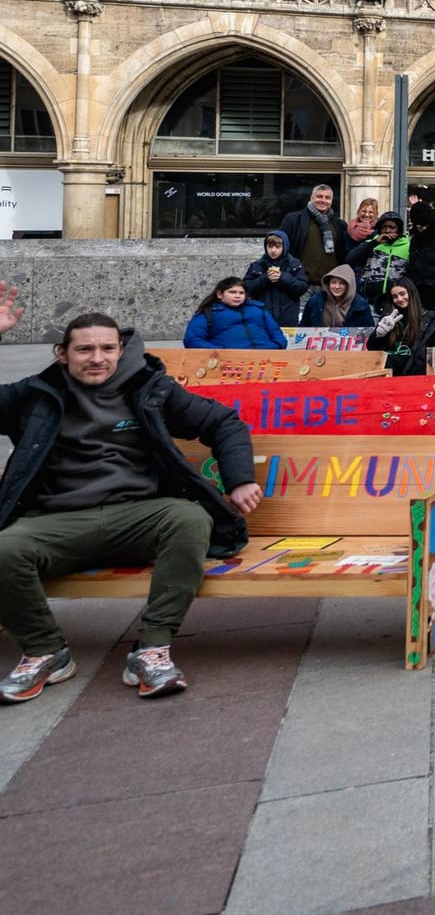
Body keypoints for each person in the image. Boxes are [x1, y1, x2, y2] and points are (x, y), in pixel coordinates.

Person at [0, 296, 263, 702]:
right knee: (4, 548)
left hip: (138, 516)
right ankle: (44, 650)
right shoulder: (37, 394)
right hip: (59, 520)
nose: (97, 358)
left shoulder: (149, 389)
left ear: (121, 350)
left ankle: (153, 647)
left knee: (189, 520)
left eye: (107, 348)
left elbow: (222, 422)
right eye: (84, 349)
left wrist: (240, 479)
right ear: (62, 354)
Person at [368, 278, 435, 376]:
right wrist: (379, 335)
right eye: (395, 296)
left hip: (418, 371)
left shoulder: (432, 318)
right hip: (390, 370)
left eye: (403, 294)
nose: (399, 299)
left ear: (411, 293)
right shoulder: (390, 316)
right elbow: (373, 350)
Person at [277, 183, 351, 292]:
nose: (323, 200)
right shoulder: (293, 220)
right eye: (319, 196)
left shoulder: (339, 224)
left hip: (329, 285)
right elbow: (279, 246)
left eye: (327, 197)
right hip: (301, 283)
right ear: (311, 198)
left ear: (331, 201)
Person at [184, 277, 288, 349]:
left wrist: (277, 345)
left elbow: (276, 332)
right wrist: (220, 351)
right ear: (220, 294)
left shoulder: (258, 309)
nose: (237, 296)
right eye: (232, 292)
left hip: (267, 356)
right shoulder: (208, 312)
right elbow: (192, 339)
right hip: (229, 361)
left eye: (241, 293)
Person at [347, 210, 411, 314]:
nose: (388, 230)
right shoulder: (371, 243)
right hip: (370, 299)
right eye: (384, 227)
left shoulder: (408, 246)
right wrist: (375, 242)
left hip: (396, 300)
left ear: (399, 229)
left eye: (392, 227)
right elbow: (350, 259)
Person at [243, 231, 309, 326]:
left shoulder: (294, 265)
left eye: (277, 247)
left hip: (287, 317)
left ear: (284, 247)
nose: (273, 250)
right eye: (270, 246)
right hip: (262, 317)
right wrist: (264, 279)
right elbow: (246, 288)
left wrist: (283, 278)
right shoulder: (257, 266)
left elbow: (302, 287)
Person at [299, 264, 375, 328]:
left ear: (349, 285)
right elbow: (303, 327)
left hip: (349, 344)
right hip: (318, 344)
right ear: (328, 284)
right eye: (333, 282)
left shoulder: (361, 305)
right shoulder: (315, 301)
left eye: (342, 283)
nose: (337, 286)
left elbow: (368, 333)